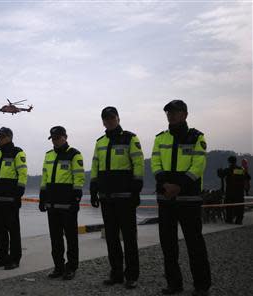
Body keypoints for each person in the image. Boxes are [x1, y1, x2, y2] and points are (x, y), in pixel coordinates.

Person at [151, 100, 211, 296]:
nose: (171, 115)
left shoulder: (196, 137)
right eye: (168, 112)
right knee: (168, 246)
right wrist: (164, 185)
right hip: (166, 200)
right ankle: (174, 284)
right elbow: (156, 163)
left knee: (195, 245)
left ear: (185, 114)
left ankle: (201, 286)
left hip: (189, 200)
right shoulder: (160, 138)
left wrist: (179, 186)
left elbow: (198, 165)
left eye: (175, 112)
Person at [90, 107, 144, 289]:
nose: (109, 121)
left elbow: (138, 163)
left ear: (118, 118)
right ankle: (116, 274)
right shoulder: (100, 142)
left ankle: (132, 275)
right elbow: (95, 165)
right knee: (111, 238)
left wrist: (136, 190)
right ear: (103, 121)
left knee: (129, 238)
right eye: (106, 118)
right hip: (106, 197)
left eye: (112, 118)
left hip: (125, 197)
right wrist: (93, 188)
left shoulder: (130, 138)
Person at [39, 126, 84, 280]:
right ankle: (58, 267)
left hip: (68, 204)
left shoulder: (74, 154)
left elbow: (79, 178)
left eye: (58, 137)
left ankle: (71, 267)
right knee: (55, 239)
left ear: (65, 137)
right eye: (53, 138)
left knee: (71, 238)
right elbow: (45, 177)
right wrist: (42, 197)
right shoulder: (48, 155)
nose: (55, 141)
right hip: (51, 204)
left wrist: (76, 198)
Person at [0, 127, 27, 270]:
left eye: (2, 137)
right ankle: (3, 257)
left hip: (11, 200)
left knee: (13, 231)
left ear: (9, 137)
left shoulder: (17, 152)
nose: (0, 139)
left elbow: (22, 174)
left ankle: (15, 259)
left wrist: (19, 194)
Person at [219, 156, 250, 225]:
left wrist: (219, 171)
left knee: (229, 206)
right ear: (236, 161)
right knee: (239, 206)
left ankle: (229, 219)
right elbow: (248, 177)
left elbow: (221, 175)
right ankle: (239, 220)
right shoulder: (240, 170)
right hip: (239, 192)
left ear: (229, 162)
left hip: (230, 192)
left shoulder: (229, 169)